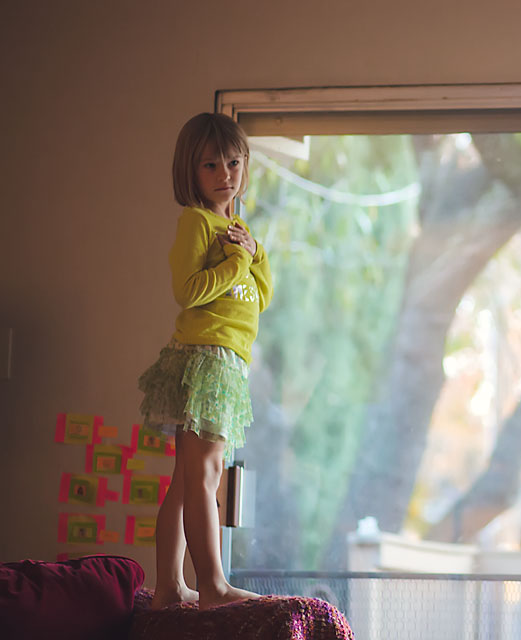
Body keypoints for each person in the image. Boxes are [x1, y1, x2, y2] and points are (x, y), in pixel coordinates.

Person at [138, 112, 273, 610]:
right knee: (205, 475)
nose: (225, 175)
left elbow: (260, 296)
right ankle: (213, 585)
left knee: (186, 478)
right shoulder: (197, 222)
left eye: (234, 162)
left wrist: (254, 254)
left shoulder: (236, 228)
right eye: (211, 165)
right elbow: (188, 292)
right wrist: (238, 259)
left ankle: (169, 588)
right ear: (190, 173)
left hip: (227, 361)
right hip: (205, 357)